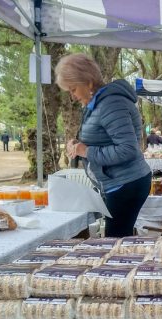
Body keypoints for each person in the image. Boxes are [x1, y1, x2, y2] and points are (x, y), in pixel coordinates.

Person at [55, 53, 151, 237]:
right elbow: (103, 137)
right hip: (117, 182)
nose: (72, 96)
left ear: (88, 82)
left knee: (116, 243)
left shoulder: (110, 104)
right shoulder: (99, 103)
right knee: (119, 239)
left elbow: (128, 149)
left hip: (125, 183)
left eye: (73, 89)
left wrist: (87, 151)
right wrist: (78, 144)